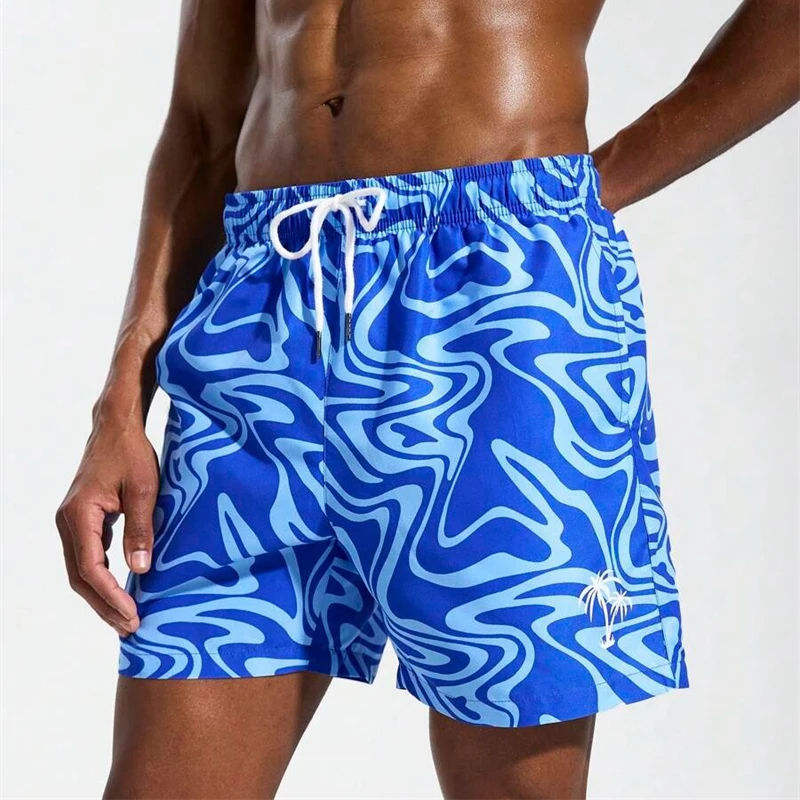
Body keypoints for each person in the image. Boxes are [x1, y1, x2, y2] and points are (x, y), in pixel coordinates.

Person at [56, 2, 798, 797]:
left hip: (496, 306)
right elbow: (204, 127)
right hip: (261, 312)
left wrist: (600, 180)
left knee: (512, 788)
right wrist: (120, 401)